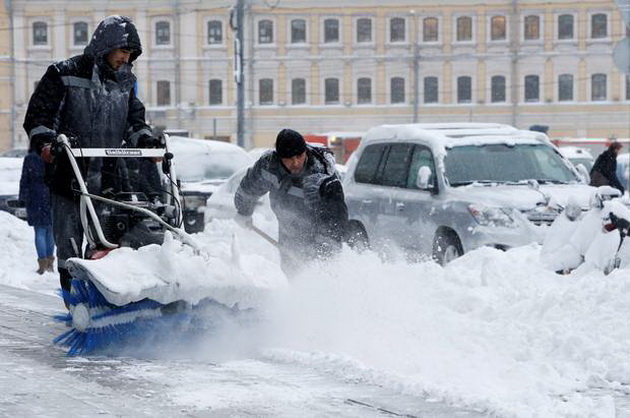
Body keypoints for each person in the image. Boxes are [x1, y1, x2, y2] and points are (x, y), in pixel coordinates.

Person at [23, 15, 162, 294]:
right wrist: (47, 144)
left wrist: (145, 141)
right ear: (107, 45)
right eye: (123, 50)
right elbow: (39, 116)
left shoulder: (125, 80)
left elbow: (134, 120)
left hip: (109, 175)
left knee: (108, 240)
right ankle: (74, 297)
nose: (126, 57)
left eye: (131, 53)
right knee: (69, 245)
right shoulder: (65, 73)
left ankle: (107, 296)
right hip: (69, 173)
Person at [234, 128, 348, 276]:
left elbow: (335, 218)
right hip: (289, 228)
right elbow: (249, 188)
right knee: (291, 272)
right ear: (280, 157)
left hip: (319, 229)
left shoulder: (322, 176)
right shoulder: (269, 166)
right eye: (288, 158)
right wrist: (244, 211)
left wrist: (323, 252)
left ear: (305, 152)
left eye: (299, 156)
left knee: (320, 274)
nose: (295, 162)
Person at [19, 147, 55, 274]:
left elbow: (25, 178)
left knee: (39, 231)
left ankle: (42, 264)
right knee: (50, 231)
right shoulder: (53, 154)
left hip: (35, 196)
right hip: (51, 195)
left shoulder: (31, 158)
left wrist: (22, 197)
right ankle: (50, 263)